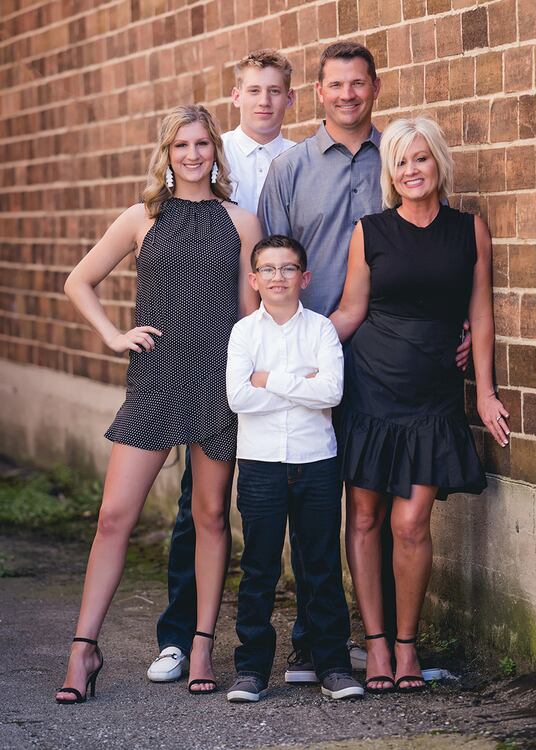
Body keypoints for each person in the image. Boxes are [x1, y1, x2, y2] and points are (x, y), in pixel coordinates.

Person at [258, 42, 471, 685]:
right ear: (319, 93)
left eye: (359, 83)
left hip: (393, 361)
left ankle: (379, 642)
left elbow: (428, 254)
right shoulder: (291, 169)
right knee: (322, 502)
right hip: (317, 355)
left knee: (381, 507)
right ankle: (318, 640)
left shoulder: (400, 157)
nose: (348, 94)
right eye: (336, 85)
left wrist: (445, 321)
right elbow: (269, 265)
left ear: (375, 88)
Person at [55, 104, 261, 704]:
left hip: (216, 383)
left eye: (202, 144)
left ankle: (200, 646)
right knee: (114, 517)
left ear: (215, 154)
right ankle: (83, 648)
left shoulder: (242, 222)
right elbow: (78, 281)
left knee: (211, 517)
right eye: (181, 146)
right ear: (166, 156)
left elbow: (250, 317)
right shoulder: (142, 218)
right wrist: (115, 336)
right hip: (156, 380)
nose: (193, 155)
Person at [330, 116, 510, 694]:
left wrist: (483, 392)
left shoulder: (469, 231)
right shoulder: (371, 231)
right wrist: (287, 344)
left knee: (411, 523)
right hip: (371, 388)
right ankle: (376, 646)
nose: (411, 170)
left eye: (421, 159)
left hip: (433, 394)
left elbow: (480, 315)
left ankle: (408, 646)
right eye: (401, 162)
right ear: (391, 172)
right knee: (364, 517)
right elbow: (351, 312)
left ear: (438, 164)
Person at [148, 50, 298, 684]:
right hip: (203, 360)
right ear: (236, 97)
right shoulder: (215, 153)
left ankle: (276, 644)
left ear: (291, 98)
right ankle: (180, 636)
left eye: (274, 91)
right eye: (252, 91)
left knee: (268, 499)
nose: (263, 101)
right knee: (198, 506)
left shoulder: (300, 160)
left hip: (281, 347)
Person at [225, 235, 364, 703]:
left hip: (316, 463)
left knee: (321, 564)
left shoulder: (321, 330)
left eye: (288, 269)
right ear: (254, 279)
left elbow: (331, 393)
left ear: (304, 278)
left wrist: (270, 380)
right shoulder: (245, 333)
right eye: (268, 269)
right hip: (262, 464)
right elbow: (238, 398)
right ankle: (252, 669)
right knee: (259, 566)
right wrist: (300, 383)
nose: (278, 277)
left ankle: (332, 665)